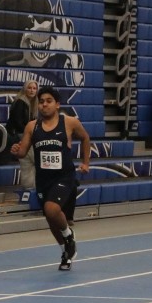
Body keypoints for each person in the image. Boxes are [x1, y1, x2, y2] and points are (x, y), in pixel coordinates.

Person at [10, 86, 90, 271]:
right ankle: (66, 251)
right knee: (51, 219)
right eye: (41, 102)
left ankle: (68, 235)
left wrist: (86, 163)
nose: (44, 105)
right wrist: (16, 150)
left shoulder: (69, 122)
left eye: (48, 101)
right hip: (43, 179)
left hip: (64, 176)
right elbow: (22, 152)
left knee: (51, 209)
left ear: (57, 104)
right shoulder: (32, 126)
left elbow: (85, 138)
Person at [7, 80, 39, 188]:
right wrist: (30, 134)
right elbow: (18, 124)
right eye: (29, 88)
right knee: (34, 157)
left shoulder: (33, 104)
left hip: (25, 134)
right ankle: (30, 186)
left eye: (34, 88)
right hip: (18, 134)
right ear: (25, 89)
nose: (32, 90)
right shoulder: (20, 102)